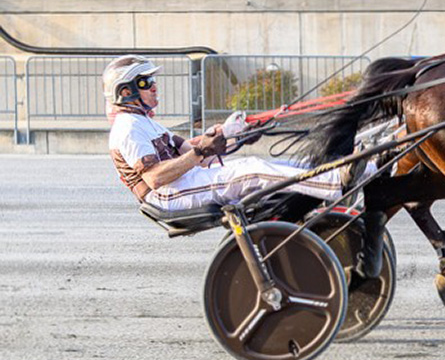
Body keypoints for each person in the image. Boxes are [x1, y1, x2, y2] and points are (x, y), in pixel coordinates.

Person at [104, 55, 388, 277]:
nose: (154, 86)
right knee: (252, 170)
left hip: (184, 183)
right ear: (125, 91)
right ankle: (336, 183)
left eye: (152, 80)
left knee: (278, 165)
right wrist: (202, 150)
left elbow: (192, 151)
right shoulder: (127, 128)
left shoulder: (144, 122)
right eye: (145, 83)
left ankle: (366, 170)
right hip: (168, 195)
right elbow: (155, 178)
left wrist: (231, 133)